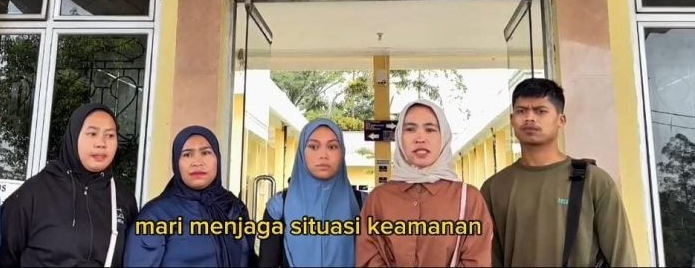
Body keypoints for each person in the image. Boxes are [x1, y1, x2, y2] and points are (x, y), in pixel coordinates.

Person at [480, 78, 637, 267]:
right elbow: (488, 256)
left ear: (561, 120)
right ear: (512, 120)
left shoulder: (593, 181)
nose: (530, 118)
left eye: (540, 111)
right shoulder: (494, 187)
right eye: (521, 111)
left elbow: (621, 255)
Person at [0, 103, 139, 267]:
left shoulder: (123, 198)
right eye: (92, 133)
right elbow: (3, 259)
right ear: (74, 136)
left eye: (110, 135)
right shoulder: (32, 195)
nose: (101, 143)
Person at [356, 99, 493, 267]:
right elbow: (369, 257)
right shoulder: (378, 199)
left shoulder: (469, 199)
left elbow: (476, 260)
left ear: (443, 137)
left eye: (430, 129)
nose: (420, 138)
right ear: (399, 137)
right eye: (410, 129)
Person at [124, 125, 256, 267]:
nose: (197, 162)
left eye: (205, 153)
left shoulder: (233, 207)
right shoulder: (156, 215)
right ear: (176, 163)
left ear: (217, 158)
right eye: (187, 154)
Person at [258, 118, 366, 267]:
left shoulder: (364, 204)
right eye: (313, 146)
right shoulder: (278, 207)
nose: (323, 155)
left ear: (342, 152)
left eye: (332, 146)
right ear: (302, 152)